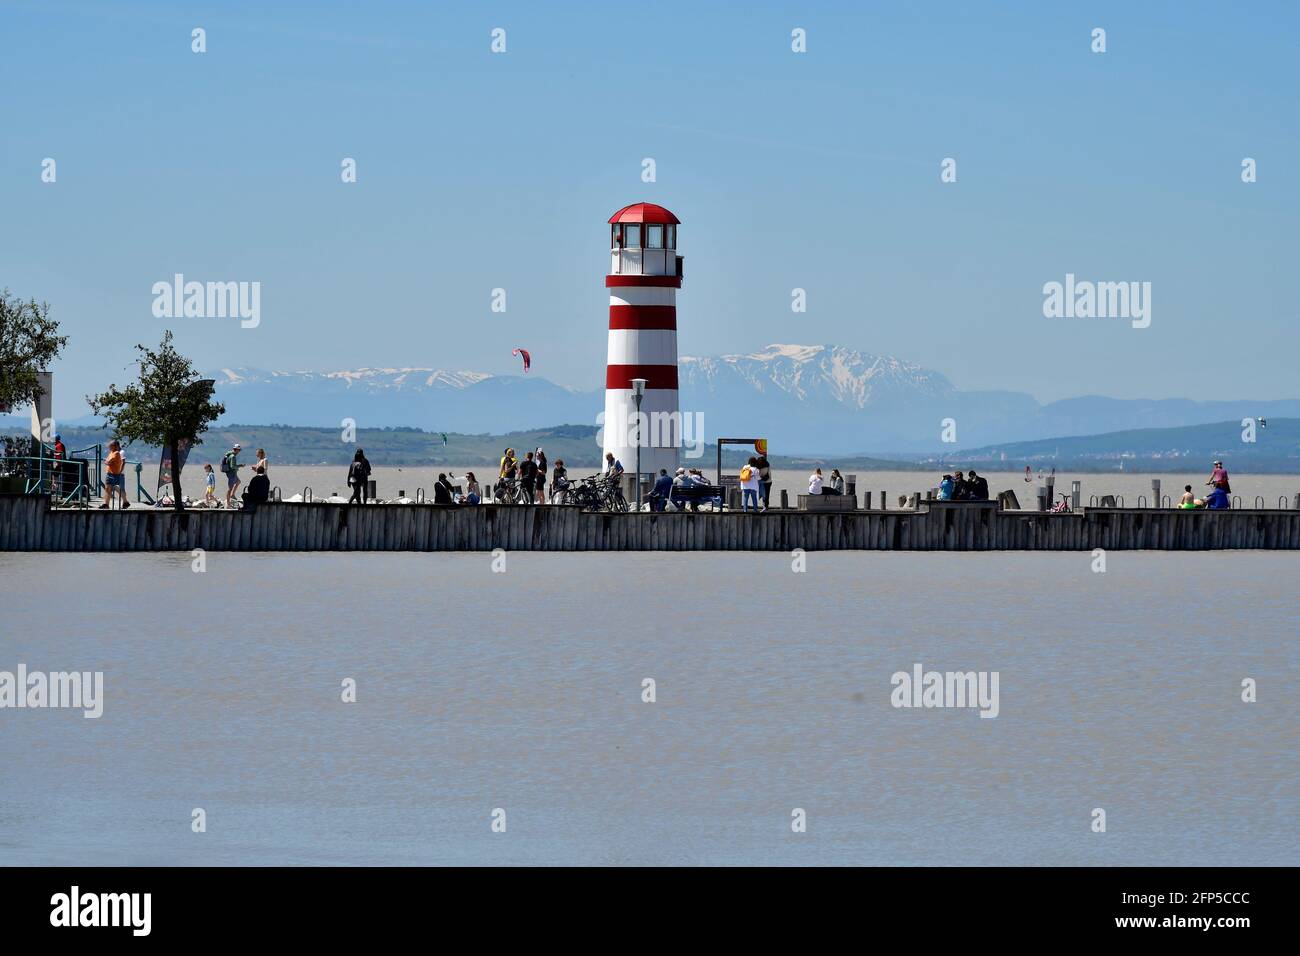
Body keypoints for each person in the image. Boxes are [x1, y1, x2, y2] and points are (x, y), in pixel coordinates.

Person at [100, 439, 129, 509]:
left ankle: (125, 501)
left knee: (116, 487)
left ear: (115, 446)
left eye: (110, 445)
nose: (108, 446)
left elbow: (108, 462)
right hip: (110, 473)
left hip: (117, 473)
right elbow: (107, 461)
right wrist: (107, 462)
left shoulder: (118, 453)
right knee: (108, 488)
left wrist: (120, 471)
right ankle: (106, 504)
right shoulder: (111, 453)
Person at [221, 443, 242, 507]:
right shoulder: (232, 456)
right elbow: (232, 466)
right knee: (230, 488)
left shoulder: (231, 455)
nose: (239, 451)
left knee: (238, 481)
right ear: (236, 450)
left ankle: (232, 494)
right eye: (238, 450)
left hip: (232, 473)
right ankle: (228, 503)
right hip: (231, 474)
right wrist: (240, 466)